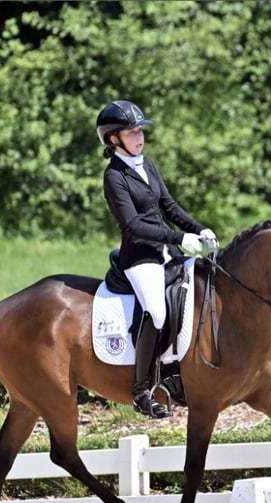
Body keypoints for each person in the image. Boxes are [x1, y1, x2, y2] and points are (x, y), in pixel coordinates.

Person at [96, 99, 217, 418]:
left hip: (168, 251)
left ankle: (179, 372)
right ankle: (141, 390)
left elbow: (169, 207)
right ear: (114, 139)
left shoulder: (146, 164)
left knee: (197, 297)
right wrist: (179, 238)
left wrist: (199, 228)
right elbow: (133, 226)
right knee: (157, 312)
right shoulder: (114, 177)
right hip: (140, 258)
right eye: (132, 132)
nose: (139, 137)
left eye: (140, 131)